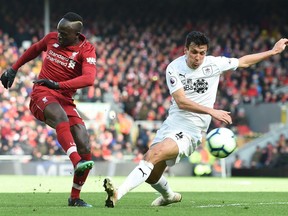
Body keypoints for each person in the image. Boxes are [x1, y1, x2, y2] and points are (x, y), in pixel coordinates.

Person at [103, 31, 288, 207]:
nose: (198, 57)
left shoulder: (213, 64)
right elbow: (181, 102)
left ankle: (117, 194)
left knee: (153, 155)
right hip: (172, 123)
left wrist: (273, 52)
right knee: (152, 175)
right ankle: (170, 196)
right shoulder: (174, 68)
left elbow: (243, 62)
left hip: (192, 129)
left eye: (202, 53)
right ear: (186, 50)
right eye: (194, 52)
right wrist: (212, 111)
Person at [1, 12, 97, 207]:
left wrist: (58, 85)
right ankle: (76, 161)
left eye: (64, 33)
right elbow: (34, 50)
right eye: (59, 30)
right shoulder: (51, 38)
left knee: (85, 144)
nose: (58, 35)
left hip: (64, 97)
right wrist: (13, 68)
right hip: (42, 94)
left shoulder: (86, 50)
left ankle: (75, 198)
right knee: (60, 117)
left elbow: (89, 79)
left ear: (77, 34)